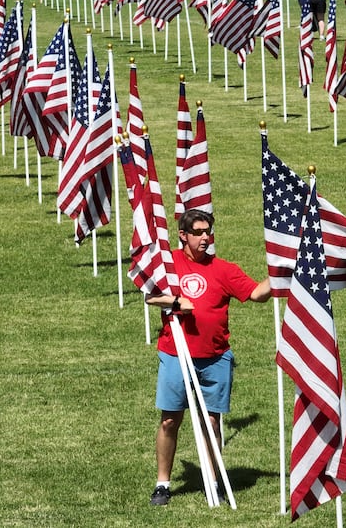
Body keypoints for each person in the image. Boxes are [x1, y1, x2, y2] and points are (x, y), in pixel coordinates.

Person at [146, 209, 271, 506]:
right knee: (169, 421)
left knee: (212, 423)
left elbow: (255, 294)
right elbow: (149, 294)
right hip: (176, 354)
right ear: (183, 235)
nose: (205, 238)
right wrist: (176, 301)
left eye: (208, 232)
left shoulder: (224, 269)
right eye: (199, 233)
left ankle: (212, 481)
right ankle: (163, 483)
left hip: (215, 357)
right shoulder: (170, 264)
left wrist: (280, 275)